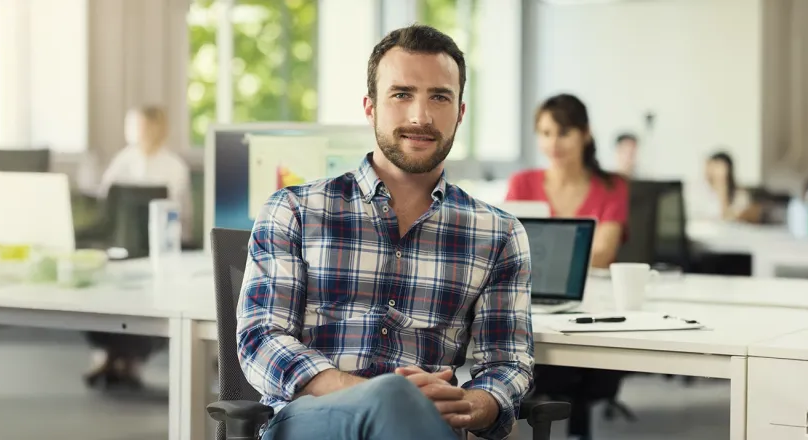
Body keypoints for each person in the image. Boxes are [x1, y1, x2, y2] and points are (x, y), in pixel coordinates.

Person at [237, 25, 534, 440]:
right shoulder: (294, 210)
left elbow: (508, 364)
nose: (421, 116)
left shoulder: (499, 234)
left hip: (429, 424)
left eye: (439, 97)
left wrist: (473, 404)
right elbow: (261, 340)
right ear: (370, 106)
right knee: (394, 398)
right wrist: (379, 394)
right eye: (401, 94)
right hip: (311, 419)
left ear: (460, 112)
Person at [84, 106, 190, 390]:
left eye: (141, 126)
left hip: (159, 246)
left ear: (157, 128)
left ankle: (131, 359)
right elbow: (106, 204)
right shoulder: (123, 161)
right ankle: (109, 353)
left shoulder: (174, 166)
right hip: (122, 244)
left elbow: (181, 216)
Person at [505, 94, 629, 269]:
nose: (554, 143)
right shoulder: (521, 183)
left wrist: (543, 261)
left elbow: (602, 254)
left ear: (585, 134)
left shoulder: (613, 186)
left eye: (564, 133)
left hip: (594, 289)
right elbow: (508, 249)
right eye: (546, 133)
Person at [98, 105, 193, 241]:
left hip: (165, 238)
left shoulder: (175, 166)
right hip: (125, 235)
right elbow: (106, 194)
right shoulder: (123, 159)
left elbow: (180, 212)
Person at [701, 151, 761, 222]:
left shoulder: (740, 195)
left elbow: (729, 219)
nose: (714, 172)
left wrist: (722, 194)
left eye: (718, 167)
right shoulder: (701, 191)